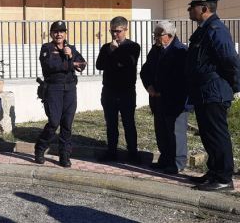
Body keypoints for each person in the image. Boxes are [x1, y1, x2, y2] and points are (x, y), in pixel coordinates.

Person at [185, 0, 240, 191]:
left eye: (193, 7)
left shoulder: (216, 30)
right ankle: (214, 172)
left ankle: (224, 178)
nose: (189, 10)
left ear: (205, 8)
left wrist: (234, 86)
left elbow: (230, 60)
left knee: (217, 134)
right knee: (208, 135)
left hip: (214, 91)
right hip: (202, 92)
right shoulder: (203, 29)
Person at [34, 21, 86, 168]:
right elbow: (50, 66)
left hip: (70, 89)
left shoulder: (71, 48)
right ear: (51, 34)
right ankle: (40, 148)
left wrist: (72, 58)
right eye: (56, 31)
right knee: (53, 122)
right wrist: (71, 64)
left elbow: (82, 64)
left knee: (67, 124)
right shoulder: (47, 48)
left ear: (65, 34)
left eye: (62, 31)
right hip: (53, 89)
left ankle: (64, 155)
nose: (59, 34)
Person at [140, 21, 188, 174]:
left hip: (175, 101)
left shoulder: (180, 51)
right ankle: (165, 159)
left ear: (169, 35)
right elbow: (145, 70)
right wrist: (149, 86)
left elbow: (180, 79)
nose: (155, 38)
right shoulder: (156, 50)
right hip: (157, 99)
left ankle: (177, 163)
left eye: (158, 35)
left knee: (175, 132)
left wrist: (163, 91)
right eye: (154, 35)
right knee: (161, 131)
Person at [95, 16, 141, 163]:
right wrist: (111, 53)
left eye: (118, 31)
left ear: (125, 30)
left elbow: (129, 63)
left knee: (128, 123)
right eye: (112, 31)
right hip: (109, 90)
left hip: (126, 91)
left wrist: (115, 55)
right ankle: (111, 152)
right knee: (111, 124)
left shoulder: (133, 46)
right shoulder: (106, 48)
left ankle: (133, 153)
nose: (115, 34)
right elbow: (100, 65)